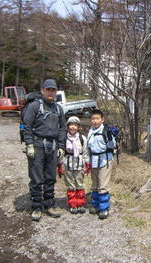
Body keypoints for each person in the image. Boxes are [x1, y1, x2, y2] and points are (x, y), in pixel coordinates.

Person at [23, 79, 66, 221]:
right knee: (36, 178)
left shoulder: (58, 109)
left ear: (56, 92)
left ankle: (49, 204)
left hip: (52, 147)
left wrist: (61, 146)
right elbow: (27, 126)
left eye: (53, 90)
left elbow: (62, 128)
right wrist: (29, 144)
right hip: (37, 145)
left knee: (50, 177)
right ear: (43, 90)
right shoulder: (34, 106)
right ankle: (36, 207)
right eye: (48, 89)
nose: (51, 92)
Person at [87, 109, 116, 220]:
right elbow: (88, 146)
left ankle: (104, 208)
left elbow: (112, 145)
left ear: (102, 119)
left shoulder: (106, 131)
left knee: (103, 184)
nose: (95, 121)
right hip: (93, 159)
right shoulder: (90, 131)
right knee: (95, 183)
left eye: (97, 118)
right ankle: (95, 205)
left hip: (105, 160)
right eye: (93, 119)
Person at [58, 116, 90, 214]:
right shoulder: (64, 138)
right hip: (68, 164)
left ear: (78, 127)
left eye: (75, 125)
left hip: (79, 164)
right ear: (67, 127)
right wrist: (60, 165)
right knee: (70, 185)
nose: (73, 127)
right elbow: (61, 153)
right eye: (71, 125)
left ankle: (80, 203)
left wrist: (87, 164)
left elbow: (85, 152)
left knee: (79, 184)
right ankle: (73, 204)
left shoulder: (82, 138)